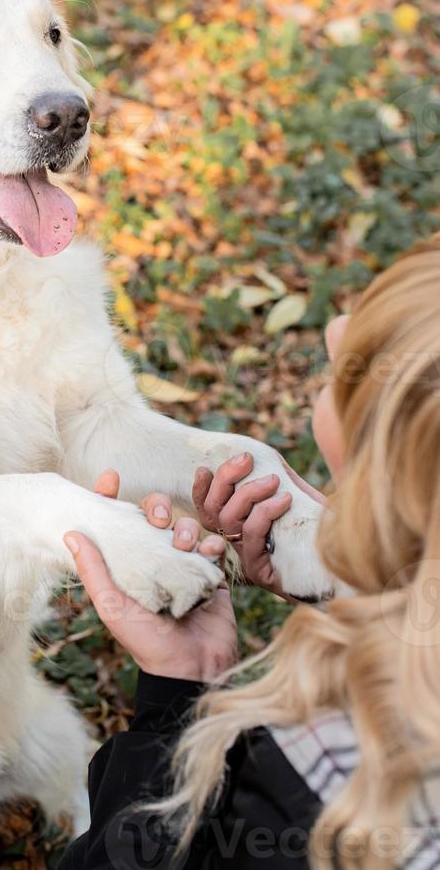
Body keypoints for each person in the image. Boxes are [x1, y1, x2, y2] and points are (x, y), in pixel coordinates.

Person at [59, 234, 440, 870]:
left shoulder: (323, 780)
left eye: (362, 355)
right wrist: (350, 573)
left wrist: (179, 696)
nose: (338, 327)